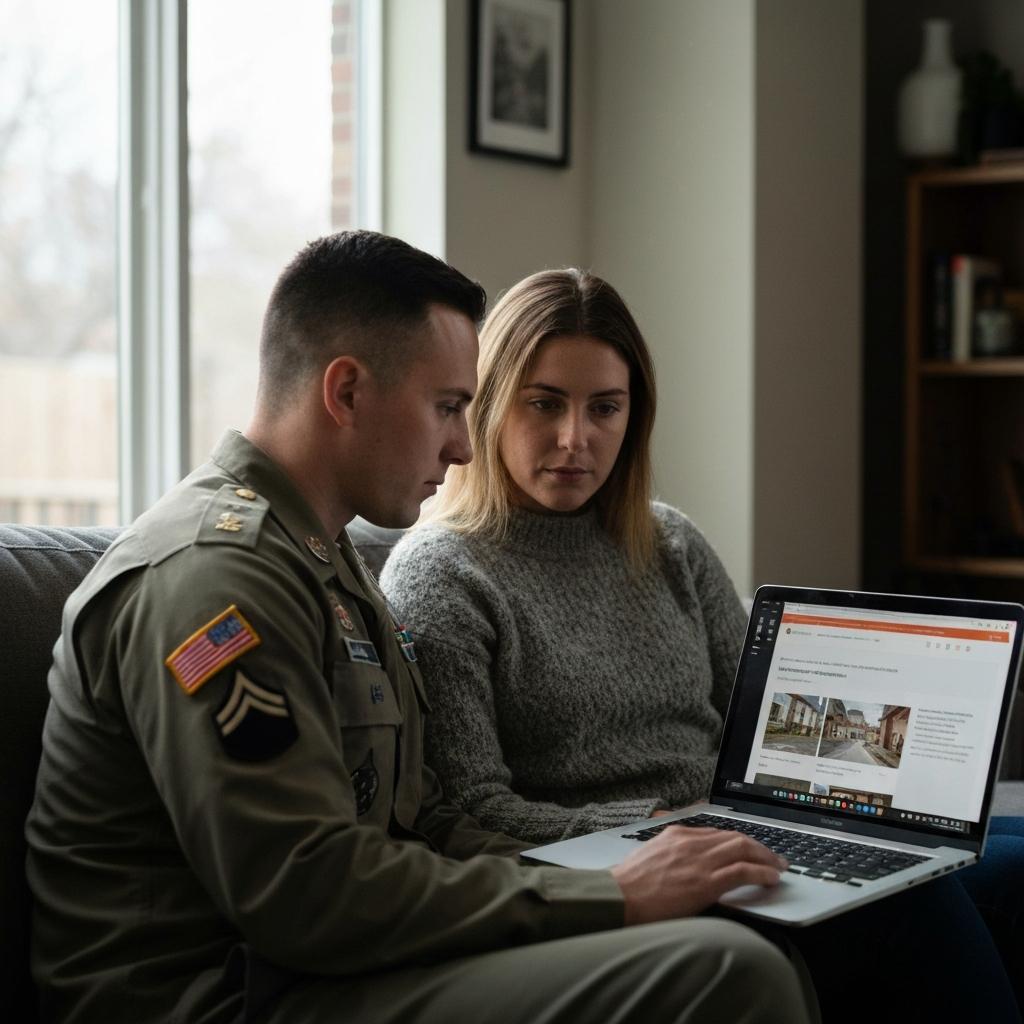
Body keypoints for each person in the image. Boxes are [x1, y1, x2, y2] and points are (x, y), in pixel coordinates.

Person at [25, 233, 814, 1024]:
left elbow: (425, 821)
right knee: (728, 972)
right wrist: (608, 893)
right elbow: (308, 895)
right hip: (228, 993)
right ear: (346, 392)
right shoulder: (215, 581)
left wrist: (650, 867)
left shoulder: (322, 561)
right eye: (448, 407)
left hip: (317, 964)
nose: (464, 445)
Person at [380, 267, 1024, 1023]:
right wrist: (666, 823)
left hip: (729, 825)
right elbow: (469, 809)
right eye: (544, 403)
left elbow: (761, 715)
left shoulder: (668, 541)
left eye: (605, 408)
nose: (575, 438)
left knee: (999, 860)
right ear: (489, 405)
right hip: (630, 865)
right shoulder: (441, 573)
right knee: (918, 904)